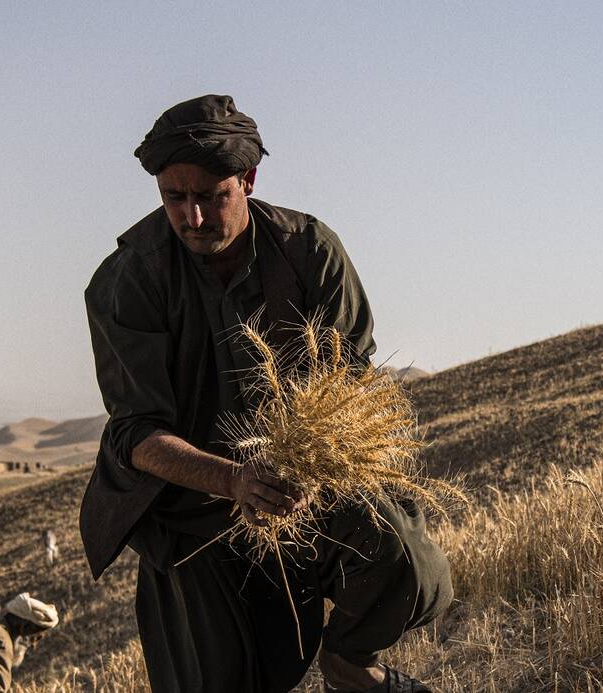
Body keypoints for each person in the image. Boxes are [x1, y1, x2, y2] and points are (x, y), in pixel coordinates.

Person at [81, 95, 451, 693]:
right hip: (191, 508)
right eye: (175, 198)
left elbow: (348, 385)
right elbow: (136, 434)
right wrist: (233, 480)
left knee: (405, 561)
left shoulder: (308, 251)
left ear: (248, 179)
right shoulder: (130, 278)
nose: (192, 218)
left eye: (210, 196)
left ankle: (349, 660)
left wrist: (302, 470)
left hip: (303, 481)